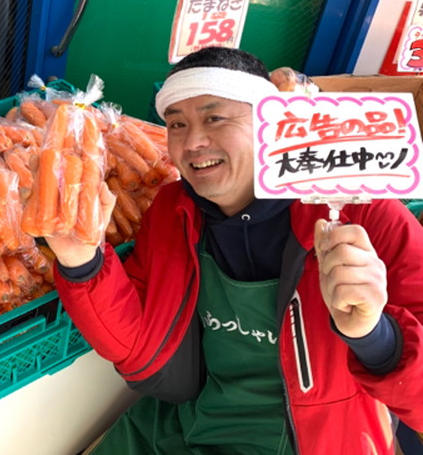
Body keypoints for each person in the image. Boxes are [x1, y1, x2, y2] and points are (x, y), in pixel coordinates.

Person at [47, 47, 423, 454]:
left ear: (267, 122)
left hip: (323, 438)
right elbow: (137, 340)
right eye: (177, 124)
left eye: (215, 118)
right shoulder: (174, 208)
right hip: (195, 419)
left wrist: (374, 336)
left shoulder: (366, 214)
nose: (193, 141)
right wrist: (81, 262)